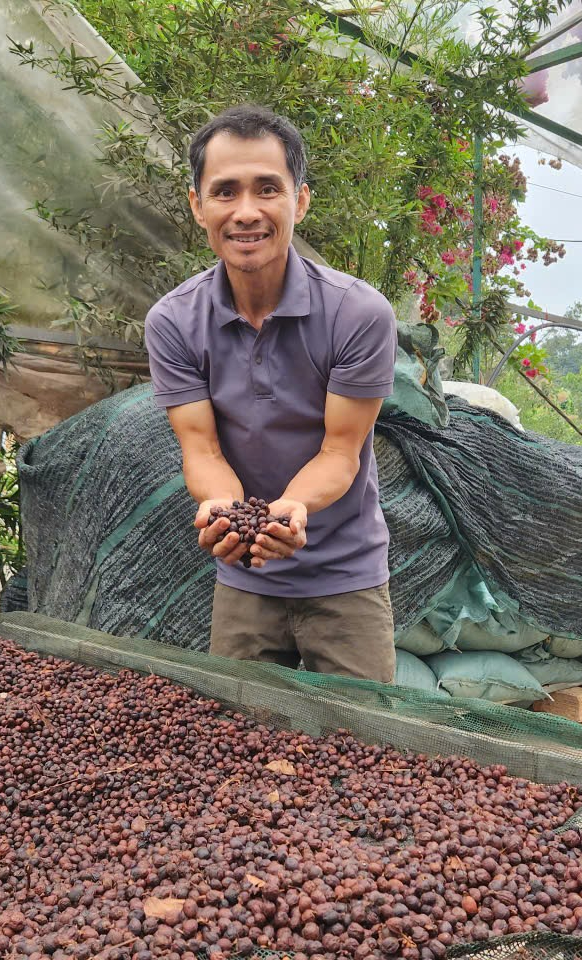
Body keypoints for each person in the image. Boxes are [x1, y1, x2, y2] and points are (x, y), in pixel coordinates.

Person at [143, 104, 398, 683]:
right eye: (225, 192)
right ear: (198, 206)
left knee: (366, 733)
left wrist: (291, 509)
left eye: (267, 189)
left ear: (299, 201)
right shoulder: (174, 322)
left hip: (346, 575)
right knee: (237, 731)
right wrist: (226, 513)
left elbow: (340, 452)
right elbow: (202, 451)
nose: (246, 212)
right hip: (245, 576)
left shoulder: (358, 314)